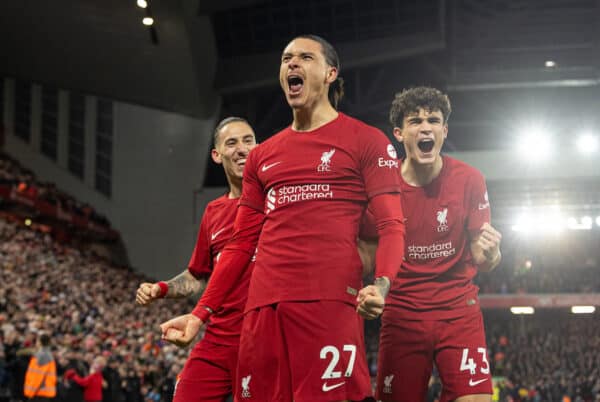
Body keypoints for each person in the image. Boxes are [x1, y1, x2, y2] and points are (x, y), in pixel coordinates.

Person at [160, 34, 406, 402]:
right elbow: (240, 245)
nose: (292, 64)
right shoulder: (264, 155)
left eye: (306, 57)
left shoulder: (366, 141)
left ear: (329, 74)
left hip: (327, 300)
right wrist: (199, 315)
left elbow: (391, 225)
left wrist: (383, 285)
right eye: (286, 58)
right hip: (262, 311)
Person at [361, 86, 502, 402]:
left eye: (434, 120)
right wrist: (371, 288)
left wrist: (493, 253)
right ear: (399, 133)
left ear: (444, 130)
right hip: (402, 314)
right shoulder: (382, 188)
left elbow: (483, 256)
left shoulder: (470, 179)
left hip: (457, 310)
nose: (426, 127)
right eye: (415, 121)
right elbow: (370, 252)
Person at [136, 117, 257, 402]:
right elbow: (196, 275)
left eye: (248, 140)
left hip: (261, 339)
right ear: (216, 155)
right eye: (232, 142)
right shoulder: (213, 212)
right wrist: (162, 289)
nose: (242, 149)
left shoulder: (276, 203)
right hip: (217, 338)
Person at [23, 333, 57, 401]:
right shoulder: (46, 354)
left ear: (40, 342)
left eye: (37, 341)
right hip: (42, 393)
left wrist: (31, 393)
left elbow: (38, 376)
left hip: (39, 393)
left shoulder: (42, 355)